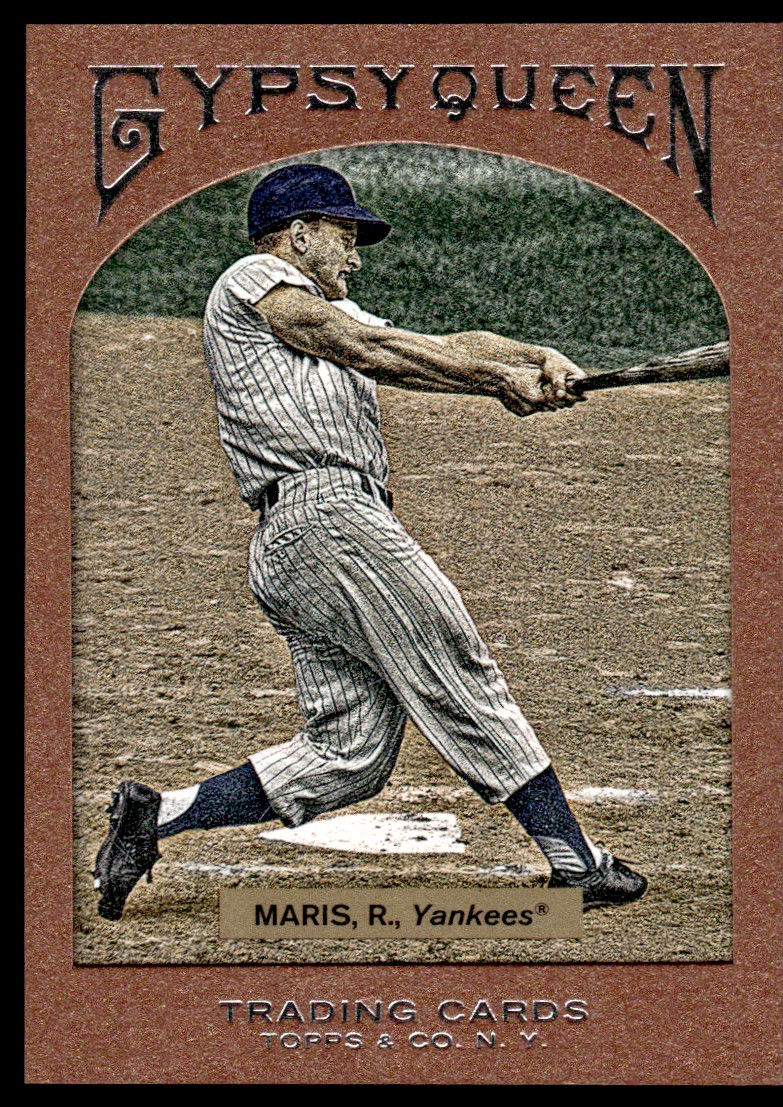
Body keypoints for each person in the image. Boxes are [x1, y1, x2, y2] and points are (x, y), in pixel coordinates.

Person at [93, 164, 647, 921]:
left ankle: (154, 817)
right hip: (331, 528)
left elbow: (429, 344)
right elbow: (368, 348)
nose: (355, 255)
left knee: (348, 753)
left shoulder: (329, 310)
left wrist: (528, 358)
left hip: (303, 545)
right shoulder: (254, 281)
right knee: (454, 664)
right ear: (298, 235)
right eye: (345, 235)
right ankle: (577, 864)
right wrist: (494, 382)